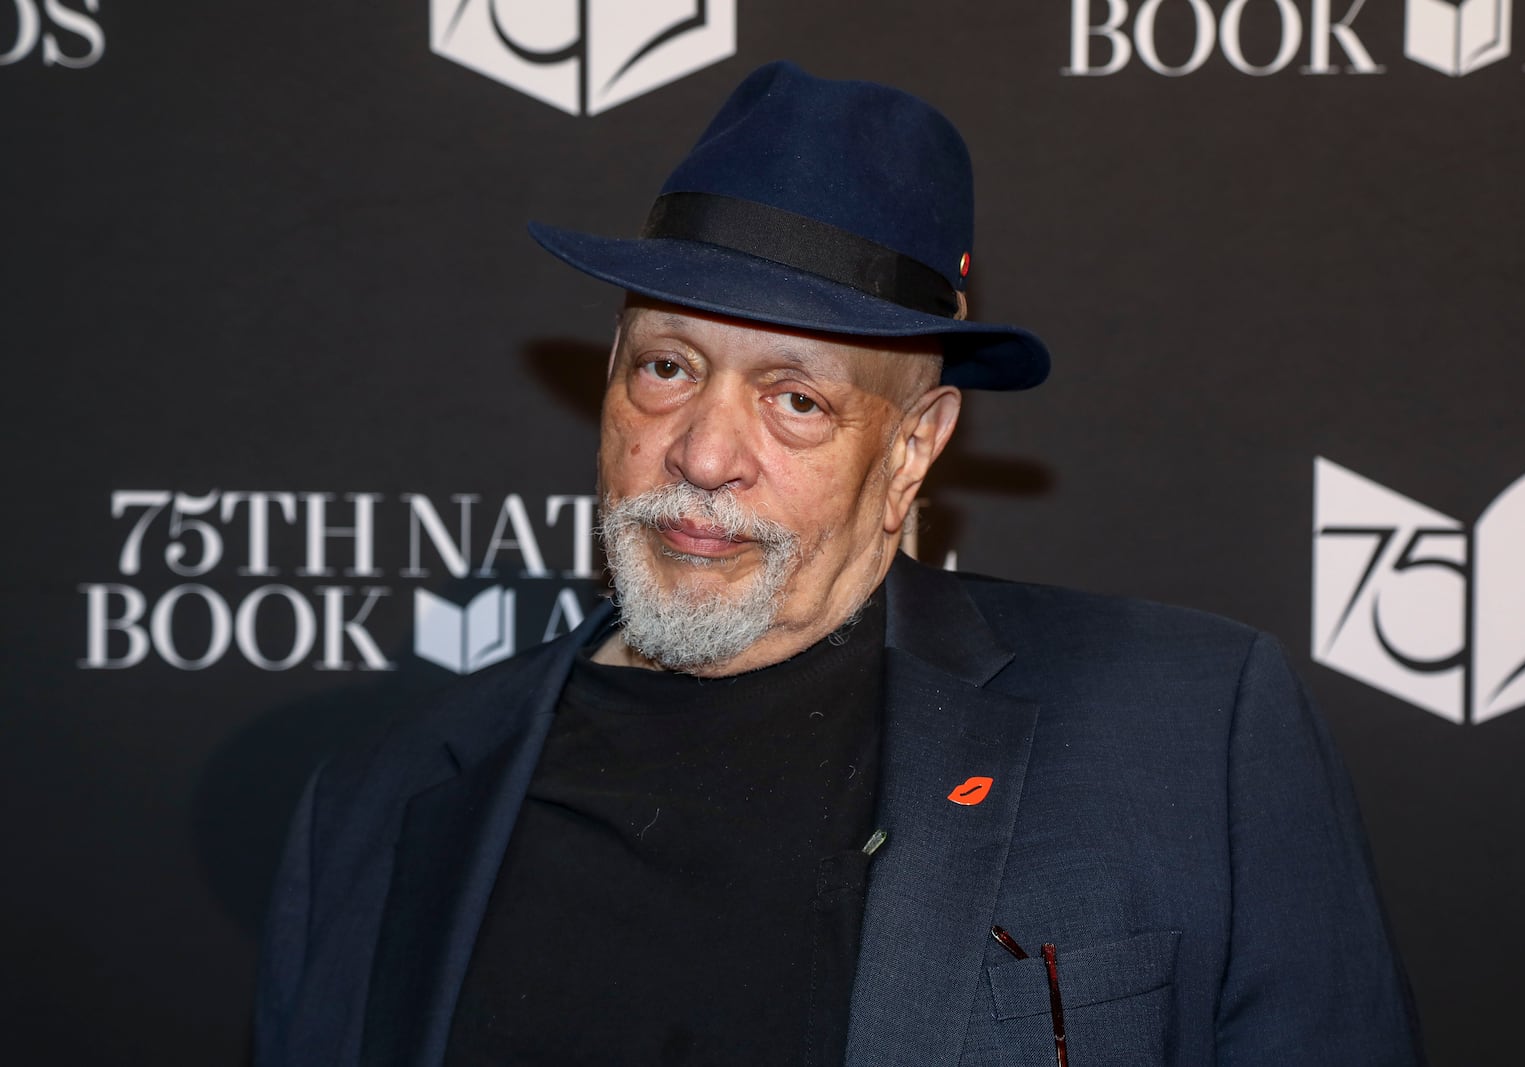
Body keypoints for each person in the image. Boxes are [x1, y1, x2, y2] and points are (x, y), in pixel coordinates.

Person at [254, 61, 1422, 1066]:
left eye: (797, 398)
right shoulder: (382, 796)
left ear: (915, 444)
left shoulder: (1182, 733)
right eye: (666, 366)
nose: (705, 452)